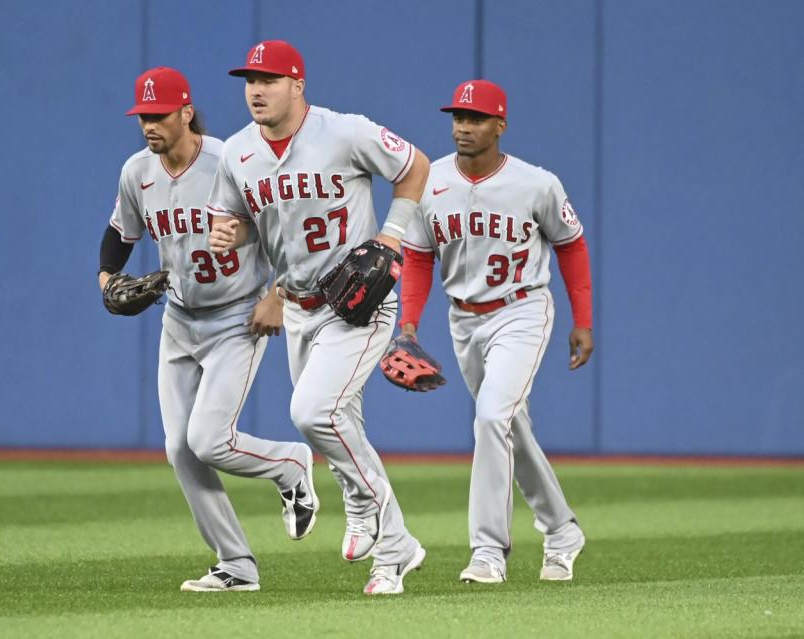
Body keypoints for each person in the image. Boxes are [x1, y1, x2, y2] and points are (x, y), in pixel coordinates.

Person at [207, 40, 429, 595]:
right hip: (302, 307)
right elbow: (240, 223)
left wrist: (392, 234)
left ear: (297, 84)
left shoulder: (344, 131)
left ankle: (365, 501)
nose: (256, 89)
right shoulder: (236, 153)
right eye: (249, 80)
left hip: (360, 302)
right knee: (342, 423)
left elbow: (415, 167)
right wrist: (233, 235)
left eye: (270, 79)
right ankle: (397, 549)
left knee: (312, 413)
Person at [99, 66, 319, 593]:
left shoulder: (232, 161)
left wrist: (279, 294)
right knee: (180, 447)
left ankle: (291, 464)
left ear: (186, 112)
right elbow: (118, 233)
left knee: (208, 440)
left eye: (158, 115)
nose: (149, 125)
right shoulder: (138, 171)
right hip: (177, 319)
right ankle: (236, 565)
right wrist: (107, 280)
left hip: (237, 318)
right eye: (143, 116)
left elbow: (288, 229)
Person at [398, 80, 593, 583]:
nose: (464, 126)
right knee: (509, 426)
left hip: (522, 310)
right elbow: (418, 257)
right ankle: (562, 529)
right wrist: (409, 325)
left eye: (477, 118)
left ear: (500, 125)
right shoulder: (430, 180)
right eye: (458, 117)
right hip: (462, 318)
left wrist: (583, 320)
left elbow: (571, 244)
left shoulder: (537, 183)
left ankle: (487, 551)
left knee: (490, 418)